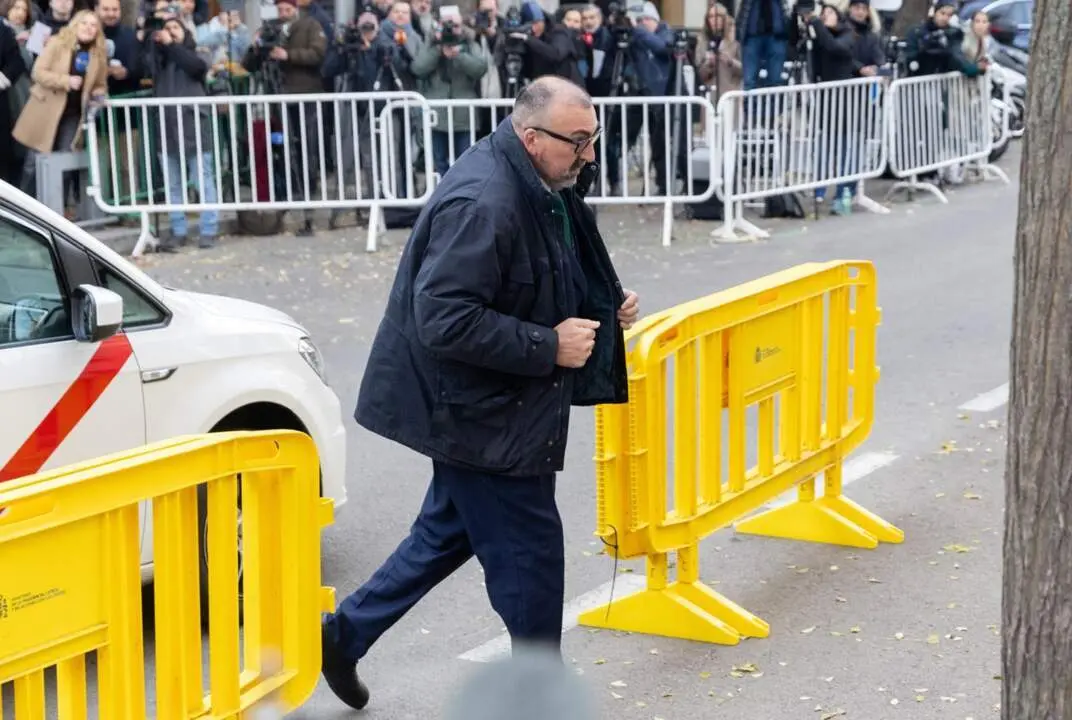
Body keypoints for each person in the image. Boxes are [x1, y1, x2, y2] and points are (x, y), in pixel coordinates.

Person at [320, 75, 640, 711]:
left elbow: (543, 267)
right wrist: (548, 345)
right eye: (580, 141)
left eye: (593, 138)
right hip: (482, 415)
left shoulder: (538, 178)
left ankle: (342, 635)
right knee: (533, 565)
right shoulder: (486, 200)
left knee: (445, 536)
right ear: (531, 136)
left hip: (493, 406)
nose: (591, 155)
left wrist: (602, 301)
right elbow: (443, 317)